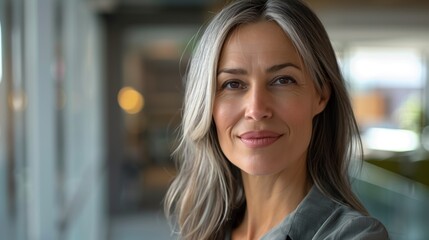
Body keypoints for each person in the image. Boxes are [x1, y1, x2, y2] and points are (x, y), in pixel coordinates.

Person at [164, 0, 389, 239]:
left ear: (321, 95)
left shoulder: (355, 235)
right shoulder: (203, 231)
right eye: (232, 84)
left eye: (283, 80)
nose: (256, 109)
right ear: (207, 103)